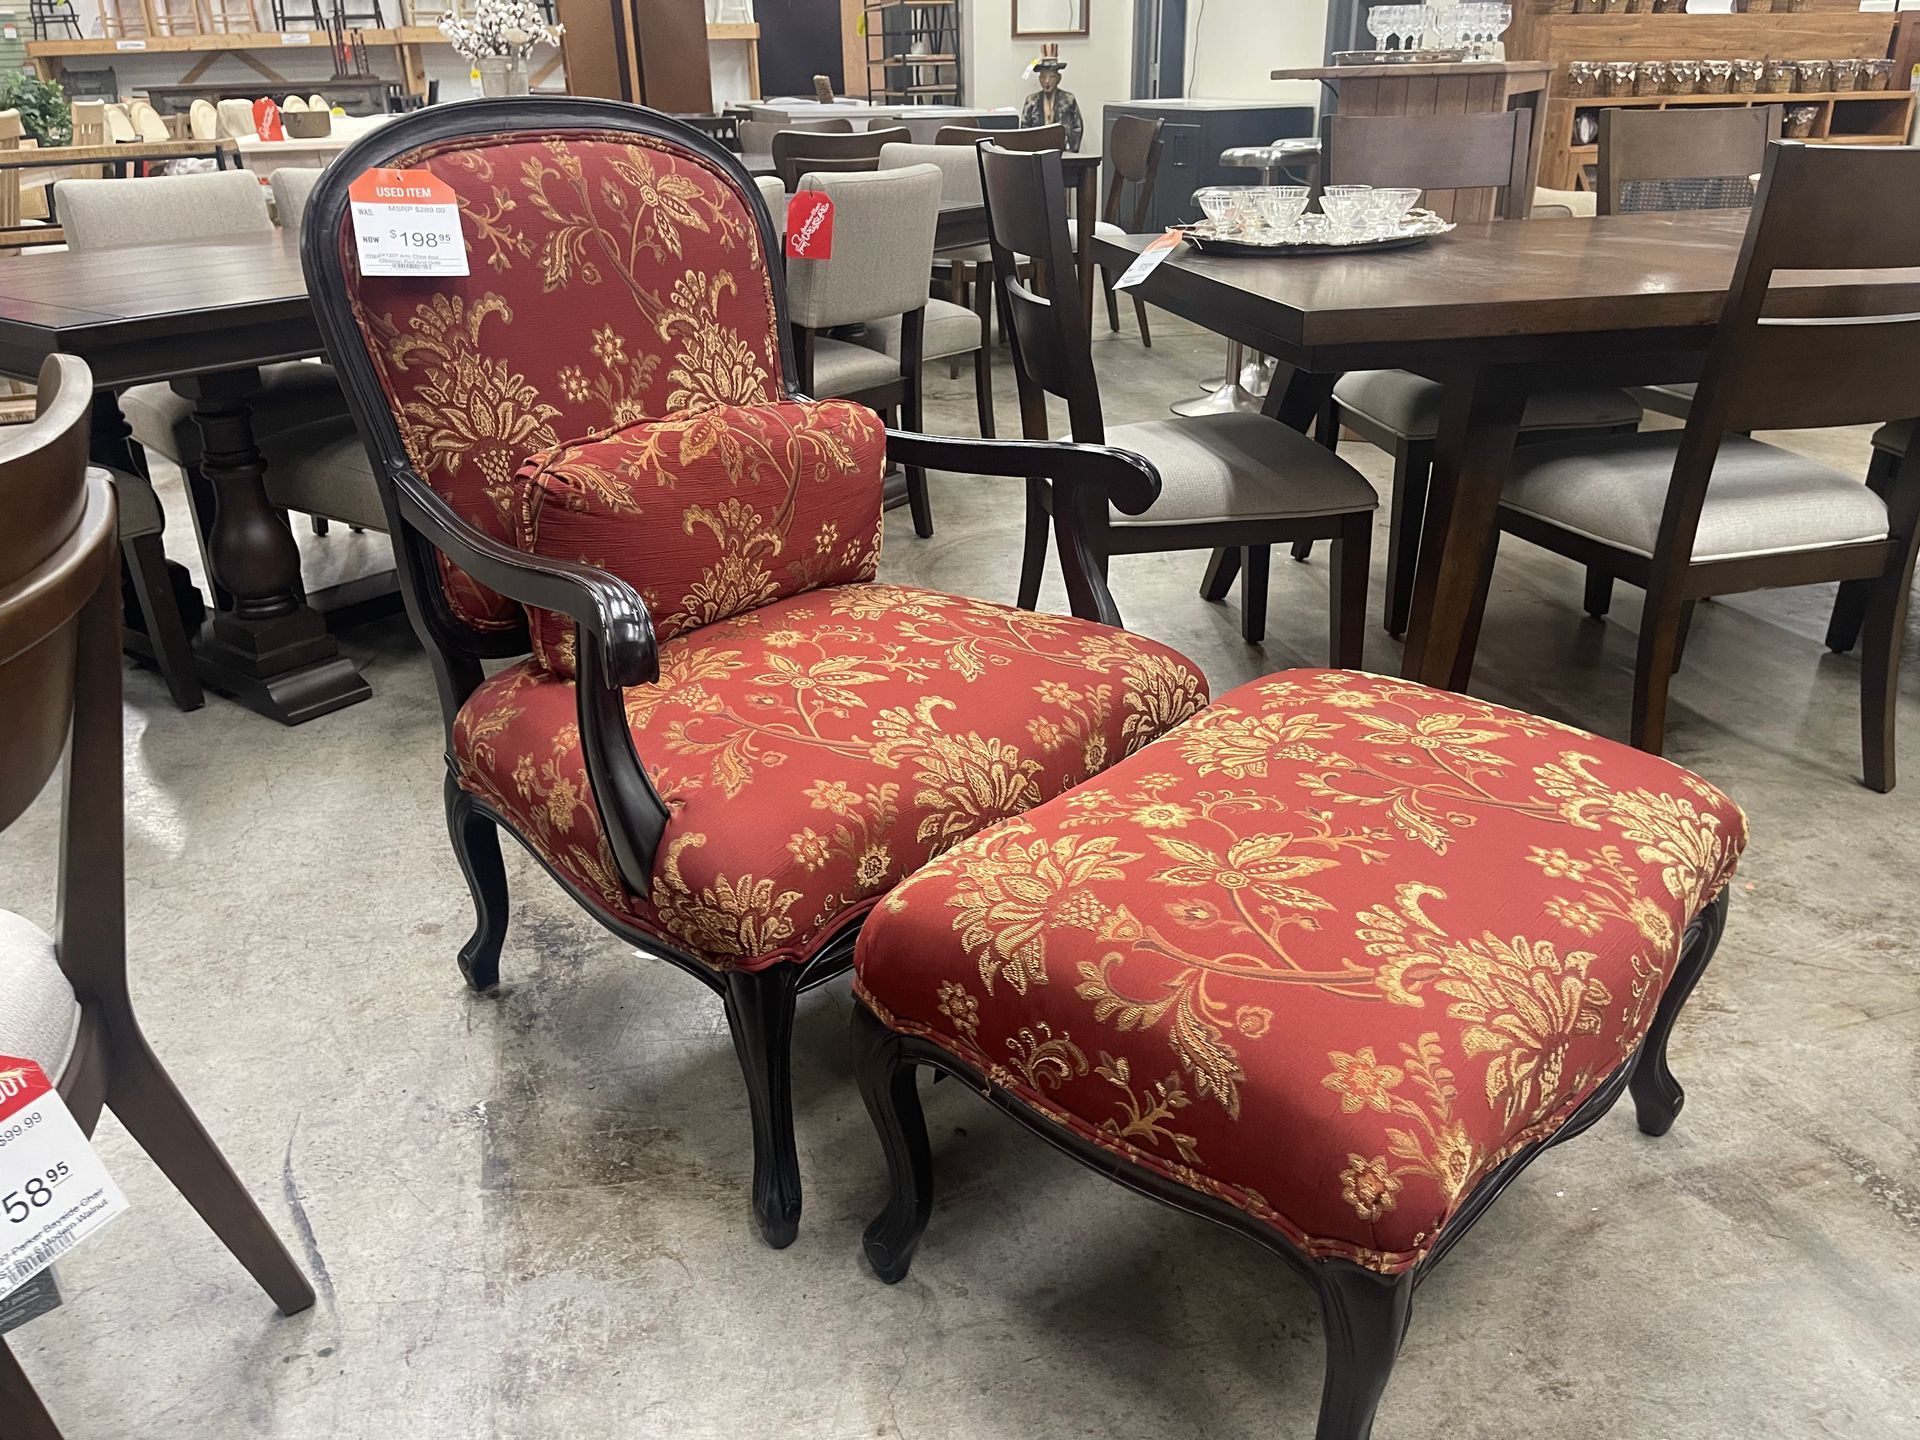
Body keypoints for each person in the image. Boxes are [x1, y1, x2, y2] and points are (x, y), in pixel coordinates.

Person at [1018, 52, 1083, 152]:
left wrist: (1071, 150)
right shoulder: (1031, 101)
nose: (1047, 81)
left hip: (1062, 151)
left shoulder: (1068, 100)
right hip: (1037, 152)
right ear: (1039, 79)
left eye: (1051, 77)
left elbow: (1077, 127)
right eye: (1043, 77)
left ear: (1059, 78)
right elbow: (1024, 129)